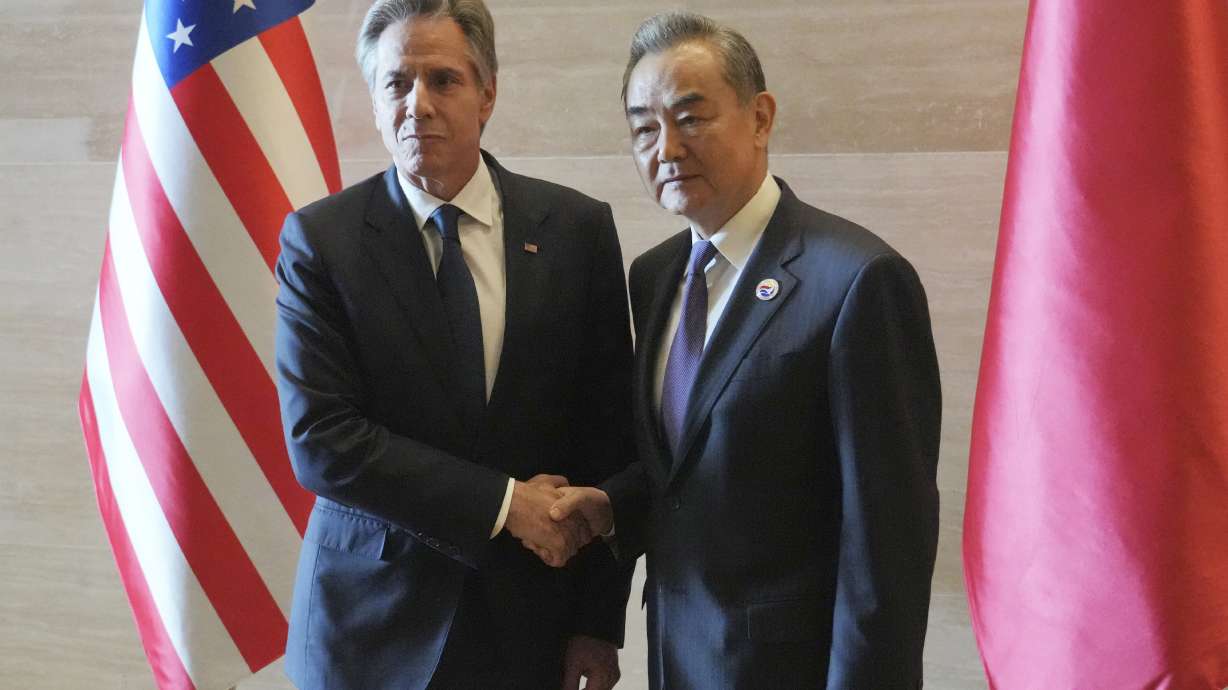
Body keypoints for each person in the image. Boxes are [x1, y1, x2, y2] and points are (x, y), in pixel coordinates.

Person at [551, 11, 942, 689]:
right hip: (680, 659)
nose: (666, 148)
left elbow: (888, 546)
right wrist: (615, 505)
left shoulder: (854, 281)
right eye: (645, 128)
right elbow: (689, 464)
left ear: (760, 118)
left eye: (691, 118)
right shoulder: (654, 275)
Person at [273, 1, 633, 688]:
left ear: (487, 93)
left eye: (443, 80)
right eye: (396, 83)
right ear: (376, 102)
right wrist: (505, 503)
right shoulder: (322, 241)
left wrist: (595, 620)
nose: (418, 105)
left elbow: (607, 436)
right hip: (367, 631)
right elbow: (321, 439)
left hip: (529, 625)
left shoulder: (576, 231)